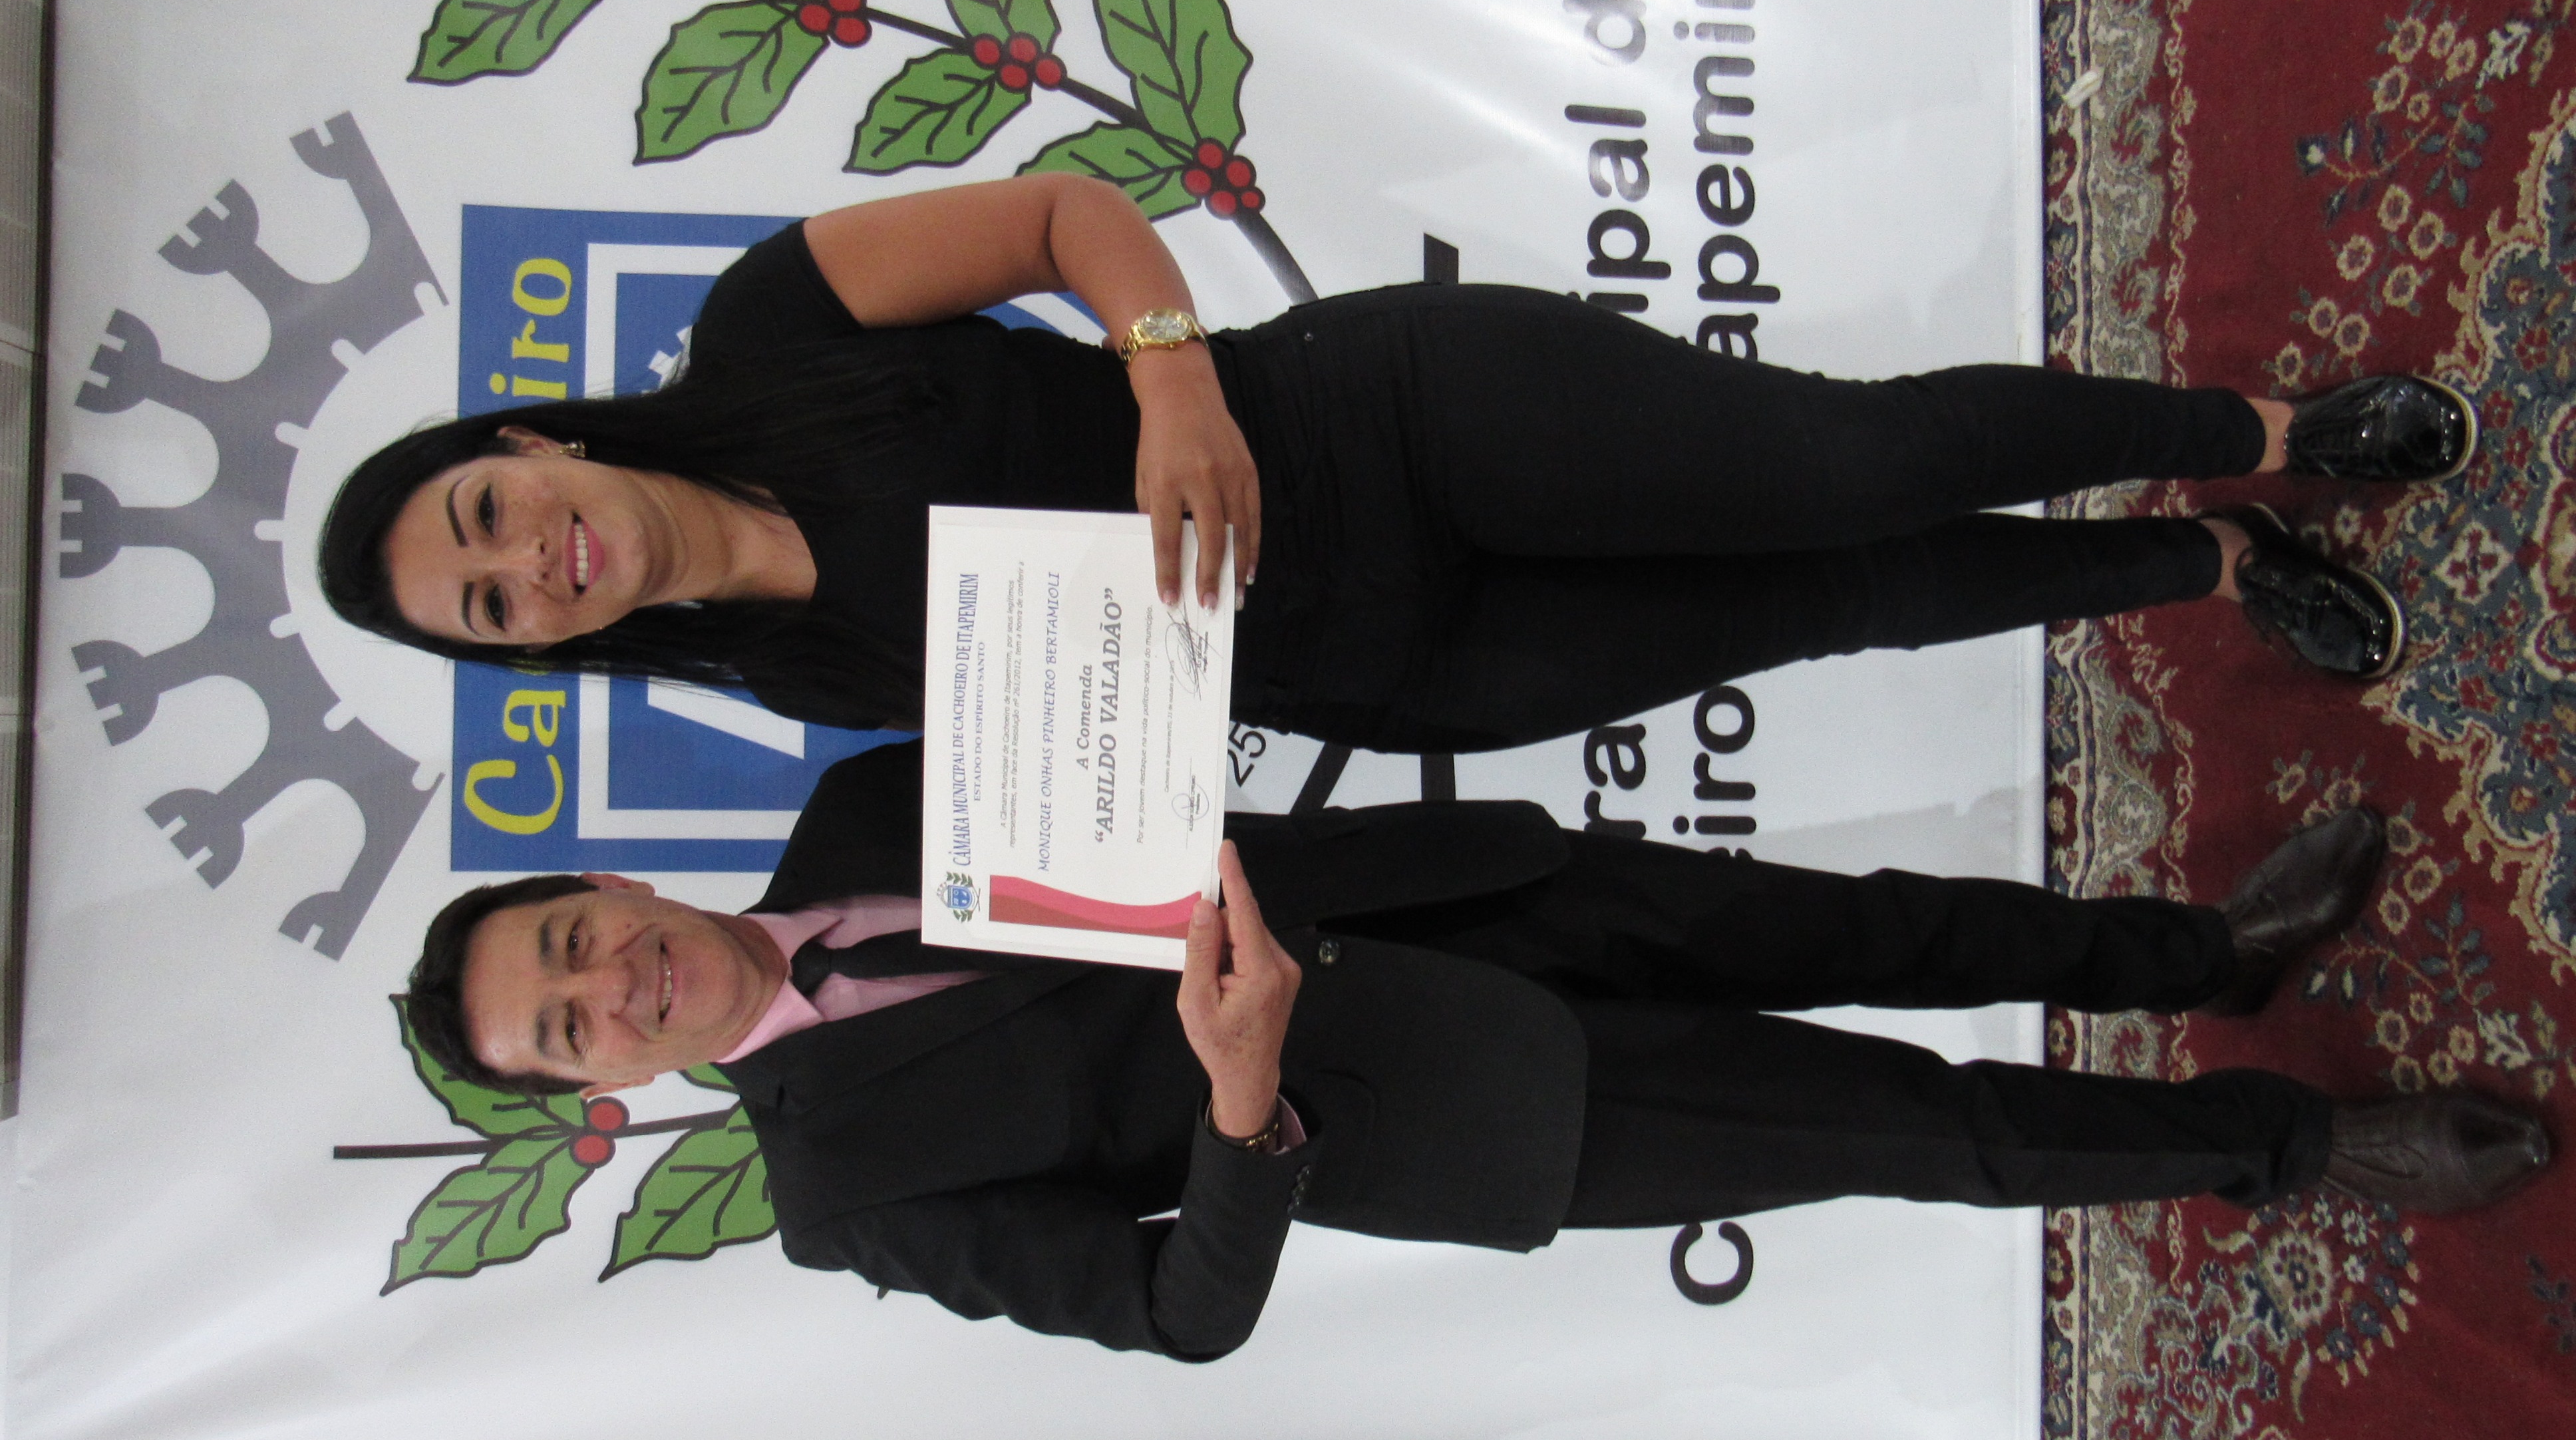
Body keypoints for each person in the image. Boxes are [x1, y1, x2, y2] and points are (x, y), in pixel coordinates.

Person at [406, 745, 2550, 1359]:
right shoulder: (838, 1196)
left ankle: (2205, 953)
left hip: (1463, 890)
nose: (616, 985)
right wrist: (1238, 1098)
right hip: (1474, 1106)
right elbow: (1177, 1311)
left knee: (1879, 923)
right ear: (599, 1090)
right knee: (1924, 1126)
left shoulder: (856, 804)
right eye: (572, 1029)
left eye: (572, 941)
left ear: (602, 880)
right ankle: (2297, 1147)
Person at [321, 175, 2474, 753]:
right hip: (1391, 668)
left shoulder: (764, 328)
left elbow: (1067, 214)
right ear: (536, 650)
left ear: (523, 439)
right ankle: (2209, 568)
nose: (537, 562)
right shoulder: (787, 687)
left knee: (1855, 462)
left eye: (487, 517)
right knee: (1839, 606)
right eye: (494, 607)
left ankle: (2268, 433)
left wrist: (1171, 386)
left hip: (1377, 420)